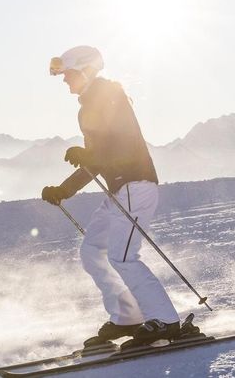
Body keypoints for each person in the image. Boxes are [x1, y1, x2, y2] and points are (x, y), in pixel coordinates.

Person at [40, 45, 187, 348]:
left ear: (85, 71)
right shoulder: (89, 107)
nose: (65, 81)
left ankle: (165, 320)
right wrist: (64, 190)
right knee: (92, 250)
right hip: (120, 190)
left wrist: (88, 154)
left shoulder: (111, 98)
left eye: (67, 75)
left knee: (122, 256)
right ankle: (127, 316)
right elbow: (94, 160)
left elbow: (119, 148)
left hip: (136, 185)